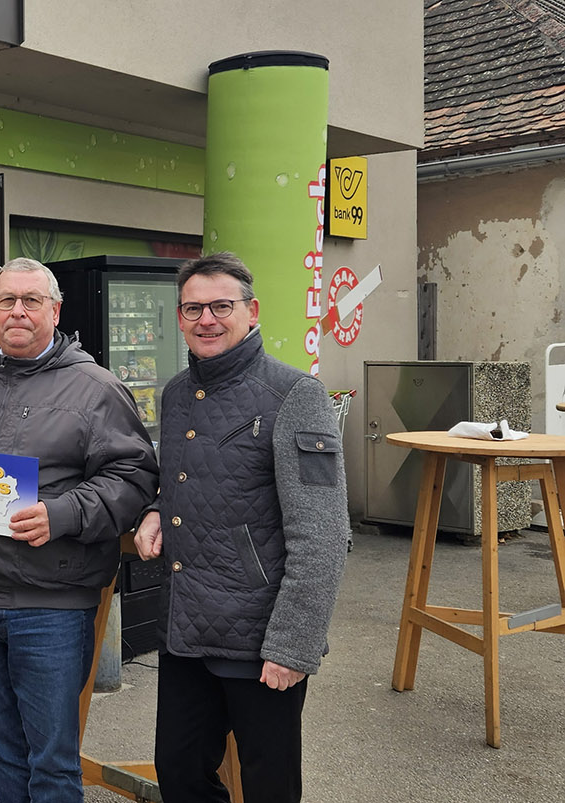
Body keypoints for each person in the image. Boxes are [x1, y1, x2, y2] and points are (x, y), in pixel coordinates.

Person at [0, 258, 159, 803]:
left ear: (55, 311)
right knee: (1, 754)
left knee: (51, 763)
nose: (17, 311)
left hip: (52, 604)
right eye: (6, 300)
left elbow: (134, 478)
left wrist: (62, 514)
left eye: (31, 301)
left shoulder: (96, 388)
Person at [132, 252, 349, 803]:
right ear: (179, 318)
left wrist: (293, 645)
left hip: (258, 636)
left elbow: (323, 533)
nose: (206, 319)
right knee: (179, 772)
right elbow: (188, 476)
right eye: (193, 309)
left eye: (221, 306)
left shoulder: (295, 395)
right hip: (186, 626)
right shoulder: (176, 393)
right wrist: (157, 507)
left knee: (269, 783)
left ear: (251, 312)